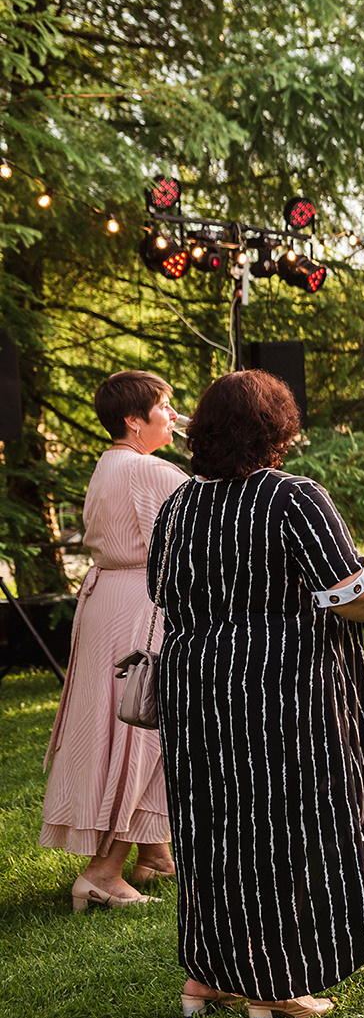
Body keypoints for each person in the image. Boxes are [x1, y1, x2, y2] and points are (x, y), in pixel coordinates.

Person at [152, 370, 364, 1018]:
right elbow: (350, 592)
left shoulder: (178, 505)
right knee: (282, 825)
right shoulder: (291, 496)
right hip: (279, 689)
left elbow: (161, 588)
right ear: (277, 429)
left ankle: (208, 972)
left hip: (193, 685)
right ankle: (274, 983)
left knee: (212, 824)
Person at [41, 370, 186, 909]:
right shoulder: (152, 470)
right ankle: (103, 872)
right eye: (166, 408)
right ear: (134, 419)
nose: (173, 416)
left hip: (106, 602)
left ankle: (155, 854)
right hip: (142, 606)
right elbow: (205, 523)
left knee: (121, 721)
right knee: (144, 729)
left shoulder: (109, 465)